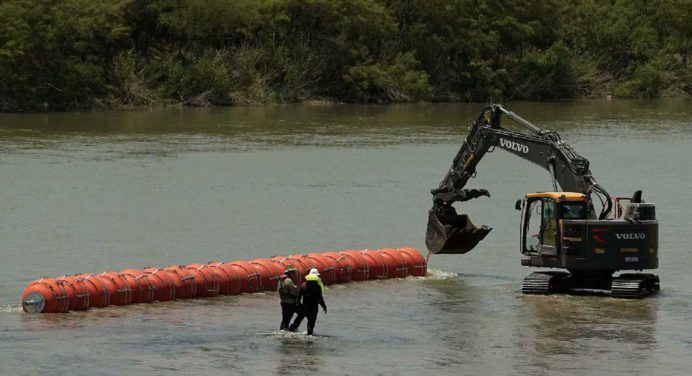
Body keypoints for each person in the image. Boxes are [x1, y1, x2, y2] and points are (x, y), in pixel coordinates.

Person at [288, 268, 327, 335]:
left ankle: (290, 330)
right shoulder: (317, 287)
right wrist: (324, 307)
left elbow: (298, 298)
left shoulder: (303, 285)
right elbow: (320, 298)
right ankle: (309, 336)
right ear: (316, 277)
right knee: (311, 324)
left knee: (298, 320)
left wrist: (299, 305)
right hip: (313, 308)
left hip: (304, 307)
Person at [278, 266, 299, 331]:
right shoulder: (289, 281)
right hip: (290, 303)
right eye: (293, 272)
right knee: (302, 313)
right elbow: (294, 292)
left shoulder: (281, 280)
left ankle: (283, 330)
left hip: (283, 302)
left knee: (285, 319)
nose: (294, 274)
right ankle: (293, 327)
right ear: (289, 273)